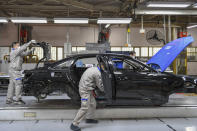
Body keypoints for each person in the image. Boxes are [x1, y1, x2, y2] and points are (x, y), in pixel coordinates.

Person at [70, 65, 104, 131]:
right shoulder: (97, 73)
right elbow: (100, 86)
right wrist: (107, 90)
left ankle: (89, 119)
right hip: (85, 91)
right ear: (102, 67)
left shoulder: (93, 68)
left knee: (93, 104)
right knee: (84, 107)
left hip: (88, 89)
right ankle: (74, 124)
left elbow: (91, 81)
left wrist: (93, 90)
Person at [6, 40, 36, 105]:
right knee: (18, 84)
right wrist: (30, 42)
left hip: (13, 71)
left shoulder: (18, 53)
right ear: (14, 46)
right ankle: (18, 100)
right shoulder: (14, 51)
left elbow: (25, 53)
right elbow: (22, 48)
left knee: (11, 85)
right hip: (15, 71)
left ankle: (9, 99)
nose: (19, 46)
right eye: (18, 45)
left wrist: (31, 49)